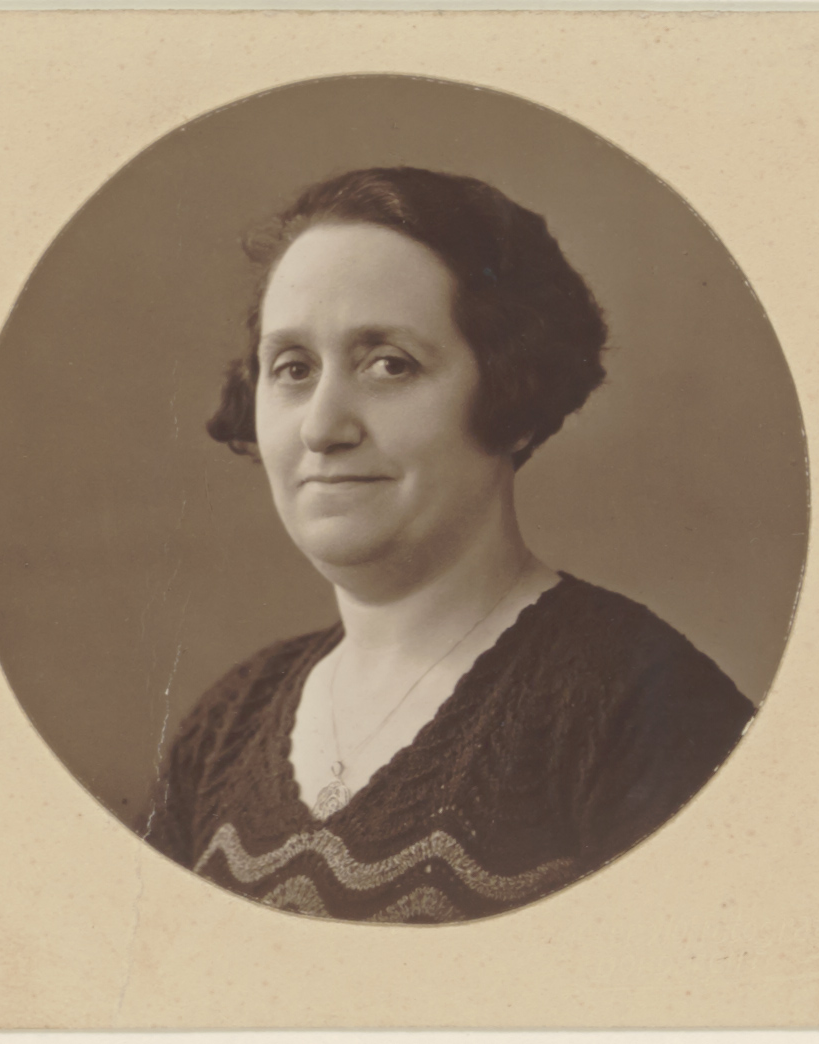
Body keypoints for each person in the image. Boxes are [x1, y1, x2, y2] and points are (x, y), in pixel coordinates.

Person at [145, 167, 754, 923]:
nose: (322, 426)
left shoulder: (643, 707)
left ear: (514, 400)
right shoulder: (223, 729)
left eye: (389, 365)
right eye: (292, 369)